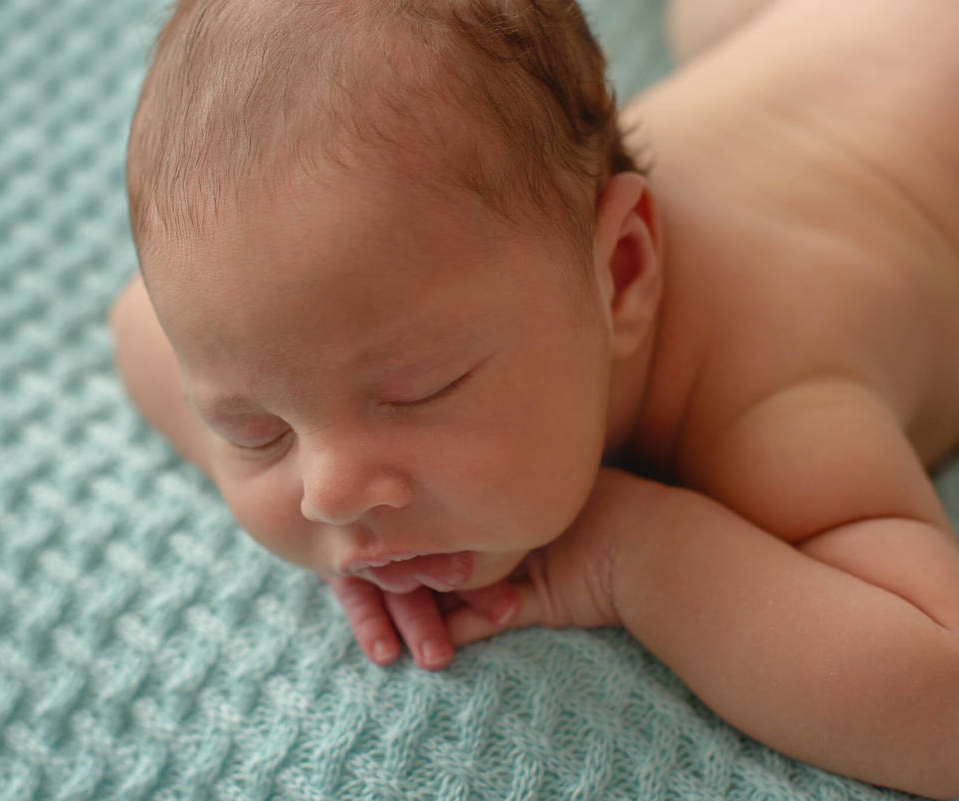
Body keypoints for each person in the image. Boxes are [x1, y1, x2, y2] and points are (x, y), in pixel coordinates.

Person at [109, 0, 959, 795]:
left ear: (621, 272)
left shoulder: (770, 402)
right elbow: (137, 329)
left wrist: (629, 553)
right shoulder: (389, 318)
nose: (328, 492)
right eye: (257, 430)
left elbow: (940, 702)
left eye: (416, 391)